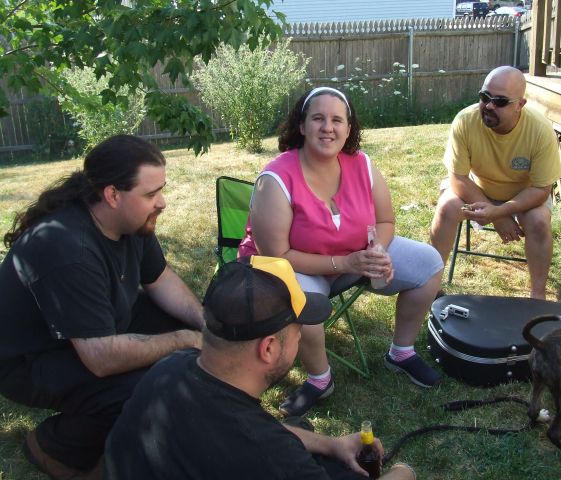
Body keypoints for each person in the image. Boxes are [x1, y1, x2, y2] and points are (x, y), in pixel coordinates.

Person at [104, 256, 418, 480]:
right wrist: (405, 472)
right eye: (298, 330)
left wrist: (331, 444)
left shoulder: (171, 368)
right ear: (268, 348)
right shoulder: (269, 455)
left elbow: (263, 430)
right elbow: (264, 442)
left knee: (308, 437)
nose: (300, 337)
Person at [0, 135, 204, 479]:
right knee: (138, 389)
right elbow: (101, 359)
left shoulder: (131, 221)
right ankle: (53, 447)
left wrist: (205, 322)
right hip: (31, 358)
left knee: (183, 347)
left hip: (97, 325)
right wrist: (184, 339)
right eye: (151, 194)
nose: (162, 203)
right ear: (112, 195)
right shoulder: (69, 250)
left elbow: (160, 278)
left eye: (161, 190)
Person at [238, 87, 444, 417]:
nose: (328, 127)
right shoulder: (275, 178)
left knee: (429, 264)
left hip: (354, 255)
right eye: (318, 118)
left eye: (337, 120)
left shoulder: (363, 164)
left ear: (349, 129)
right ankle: (320, 379)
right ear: (301, 126)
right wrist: (346, 262)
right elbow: (278, 255)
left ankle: (401, 352)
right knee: (302, 301)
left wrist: (377, 252)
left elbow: (386, 220)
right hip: (295, 264)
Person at [429, 66, 561, 300]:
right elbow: (458, 178)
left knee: (539, 221)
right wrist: (497, 216)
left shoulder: (540, 130)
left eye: (500, 101)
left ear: (520, 105)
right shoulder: (465, 121)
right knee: (447, 207)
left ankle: (537, 297)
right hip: (477, 188)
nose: (489, 106)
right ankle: (430, 285)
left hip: (524, 196)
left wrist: (502, 210)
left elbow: (542, 189)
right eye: (484, 97)